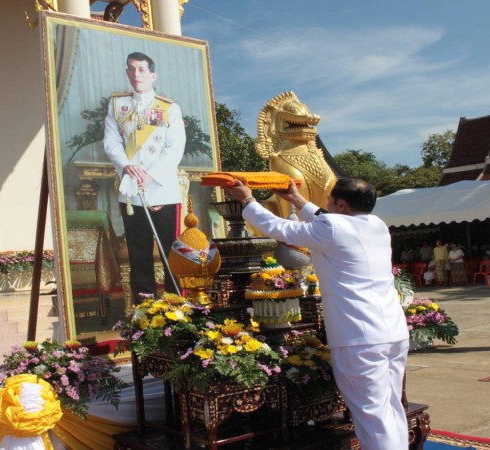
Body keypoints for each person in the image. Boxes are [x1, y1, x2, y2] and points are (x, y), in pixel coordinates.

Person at [225, 177, 409, 450]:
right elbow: (331, 221)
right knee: (391, 407)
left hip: (358, 336)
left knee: (372, 415)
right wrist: (296, 200)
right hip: (392, 332)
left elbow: (278, 227)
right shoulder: (377, 225)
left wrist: (247, 200)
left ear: (342, 204)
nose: (326, 204)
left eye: (330, 200)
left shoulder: (332, 228)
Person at [103, 51, 186, 303]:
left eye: (141, 69)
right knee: (138, 252)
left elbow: (175, 147)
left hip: (162, 190)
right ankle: (145, 307)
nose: (136, 74)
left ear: (152, 74)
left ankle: (176, 305)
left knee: (171, 250)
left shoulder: (169, 107)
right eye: (131, 69)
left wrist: (151, 175)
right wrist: (127, 166)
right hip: (131, 191)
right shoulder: (117, 105)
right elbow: (111, 142)